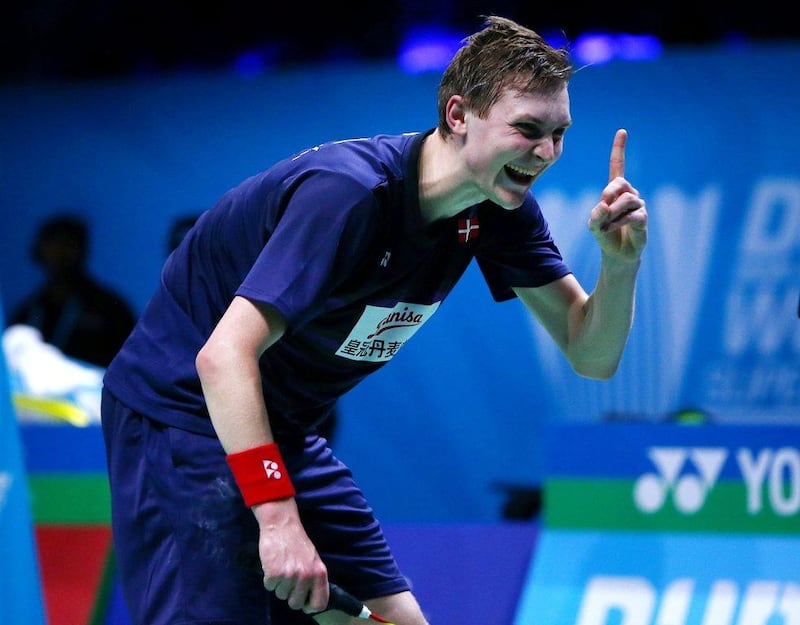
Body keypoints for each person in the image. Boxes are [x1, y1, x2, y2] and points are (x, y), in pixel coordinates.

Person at [101, 14, 647, 625]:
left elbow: (590, 354)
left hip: (282, 427)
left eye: (558, 133)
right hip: (180, 419)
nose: (545, 153)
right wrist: (278, 519)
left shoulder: (497, 210)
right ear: (458, 115)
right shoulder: (348, 194)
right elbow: (222, 357)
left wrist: (618, 266)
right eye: (527, 129)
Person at [10, 213, 136, 368]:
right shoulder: (27, 312)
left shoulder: (110, 310)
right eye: (54, 243)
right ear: (39, 250)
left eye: (69, 243)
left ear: (83, 250)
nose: (61, 252)